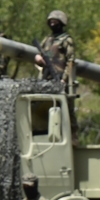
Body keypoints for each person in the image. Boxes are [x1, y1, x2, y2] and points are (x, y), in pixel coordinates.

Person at [35, 10, 78, 144]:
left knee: (66, 109)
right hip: (46, 77)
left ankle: (73, 138)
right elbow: (39, 54)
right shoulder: (47, 40)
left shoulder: (66, 40)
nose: (52, 23)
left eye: (55, 21)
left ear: (62, 23)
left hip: (59, 77)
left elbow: (70, 61)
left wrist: (64, 78)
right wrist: (37, 59)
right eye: (51, 21)